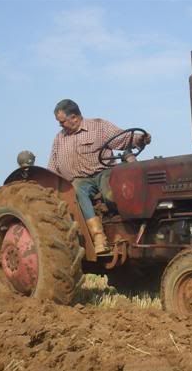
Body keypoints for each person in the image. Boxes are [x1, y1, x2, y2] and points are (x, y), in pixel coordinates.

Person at [48, 99, 151, 255]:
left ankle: (127, 229)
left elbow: (121, 138)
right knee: (76, 191)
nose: (60, 125)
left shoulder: (98, 126)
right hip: (80, 180)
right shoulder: (59, 139)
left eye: (62, 122)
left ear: (74, 117)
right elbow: (53, 166)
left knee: (110, 191)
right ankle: (98, 238)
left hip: (103, 172)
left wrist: (139, 139)